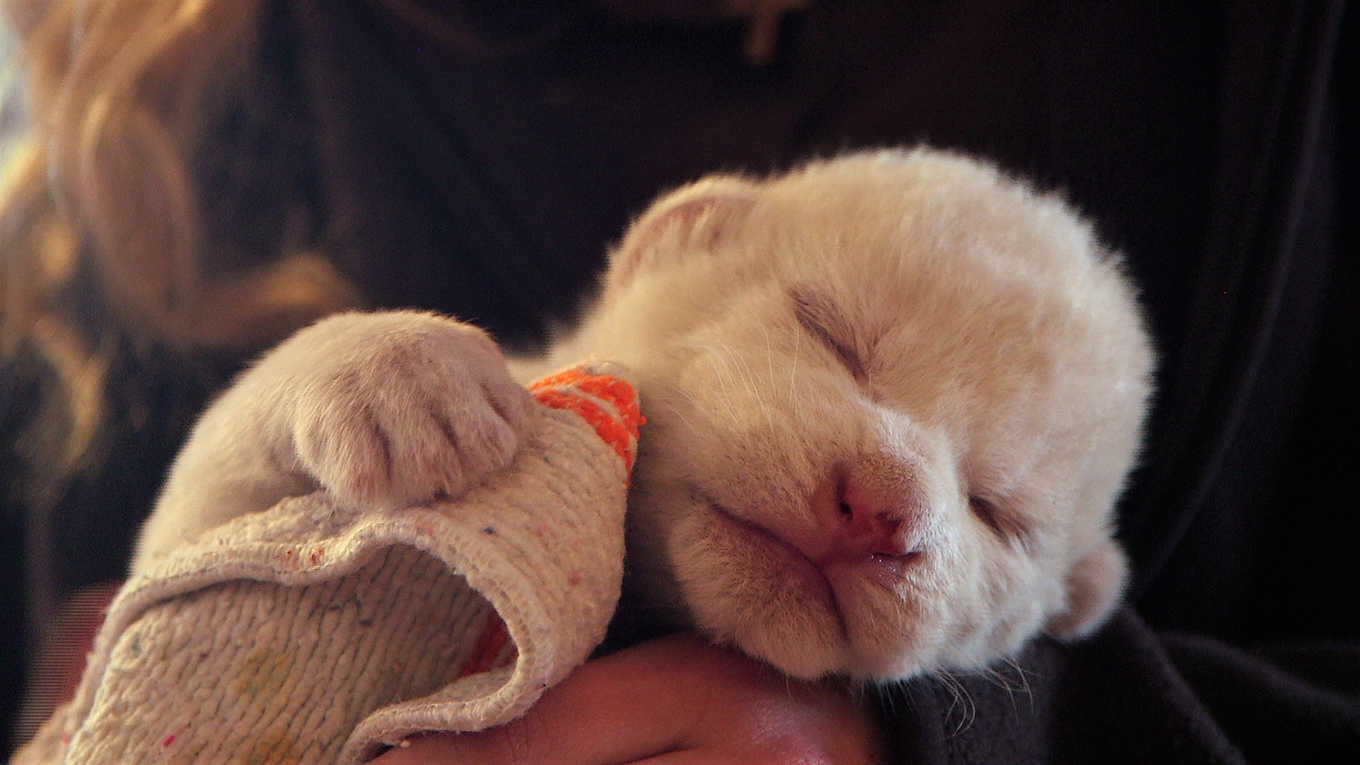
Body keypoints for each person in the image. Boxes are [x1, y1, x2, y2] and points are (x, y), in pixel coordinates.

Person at [2, 1, 1355, 762]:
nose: (895, 498)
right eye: (828, 340)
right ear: (678, 239)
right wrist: (346, 376)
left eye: (998, 517)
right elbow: (168, 583)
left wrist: (999, 747)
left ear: (1067, 600)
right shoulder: (193, 89)